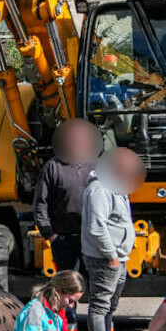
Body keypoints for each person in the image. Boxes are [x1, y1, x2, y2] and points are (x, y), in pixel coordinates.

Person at [80, 146, 144, 331]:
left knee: (110, 307)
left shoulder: (116, 188)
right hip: (105, 259)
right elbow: (97, 228)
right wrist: (111, 255)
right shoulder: (99, 190)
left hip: (118, 258)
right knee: (100, 307)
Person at [33, 119, 99, 280]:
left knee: (96, 286)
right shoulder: (53, 167)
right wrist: (50, 234)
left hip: (93, 238)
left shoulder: (98, 166)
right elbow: (41, 203)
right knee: (68, 285)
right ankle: (68, 307)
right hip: (64, 238)